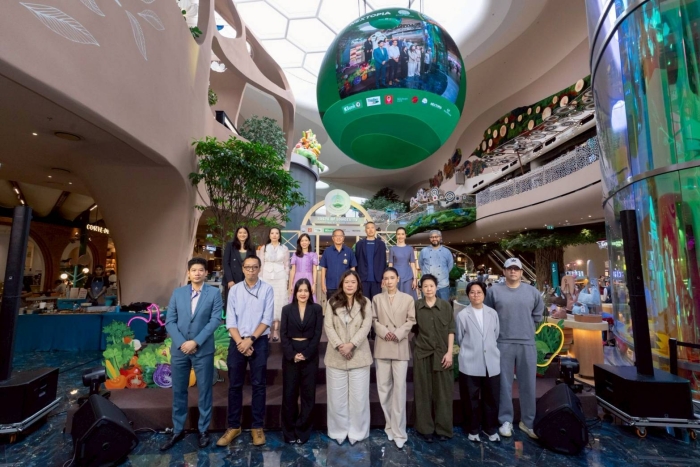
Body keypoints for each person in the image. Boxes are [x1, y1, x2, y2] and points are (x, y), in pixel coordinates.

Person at [161, 257, 223, 451]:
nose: (197, 273)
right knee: (179, 390)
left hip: (203, 349)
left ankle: (203, 430)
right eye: (193, 270)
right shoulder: (178, 293)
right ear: (188, 273)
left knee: (205, 391)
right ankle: (178, 429)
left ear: (206, 273)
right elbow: (170, 321)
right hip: (180, 350)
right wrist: (183, 343)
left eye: (200, 270)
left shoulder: (214, 293)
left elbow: (215, 320)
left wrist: (195, 342)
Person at [217, 255, 274, 447]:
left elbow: (267, 318)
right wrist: (241, 342)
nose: (251, 270)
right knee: (235, 385)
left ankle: (257, 426)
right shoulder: (234, 290)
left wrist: (250, 341)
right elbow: (230, 320)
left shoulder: (267, 289)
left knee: (259, 385)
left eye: (254, 267)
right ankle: (234, 426)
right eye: (248, 267)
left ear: (259, 269)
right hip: (237, 340)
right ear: (242, 269)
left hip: (259, 340)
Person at [484, 258, 544, 439]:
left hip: (527, 342)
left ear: (521, 272)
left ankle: (528, 422)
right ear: (503, 271)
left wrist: (525, 328)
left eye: (516, 269)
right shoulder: (494, 291)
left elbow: (538, 315)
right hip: (503, 342)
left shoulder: (532, 292)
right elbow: (488, 314)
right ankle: (505, 420)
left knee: (528, 384)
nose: (513, 272)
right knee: (504, 384)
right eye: (509, 269)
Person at [324, 270, 373, 445]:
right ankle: (338, 431)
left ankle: (357, 432)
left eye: (353, 282)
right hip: (336, 356)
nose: (350, 285)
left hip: (359, 355)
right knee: (336, 398)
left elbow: (366, 326)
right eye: (347, 282)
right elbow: (328, 326)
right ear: (342, 284)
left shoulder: (365, 302)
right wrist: (340, 346)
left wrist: (351, 344)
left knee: (359, 398)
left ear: (358, 284)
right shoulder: (332, 302)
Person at [372, 268, 416, 449]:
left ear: (398, 279)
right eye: (386, 278)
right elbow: (373, 320)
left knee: (399, 389)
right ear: (383, 281)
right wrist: (385, 332)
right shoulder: (376, 299)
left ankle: (399, 431)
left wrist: (397, 333)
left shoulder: (408, 299)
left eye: (392, 278)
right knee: (383, 389)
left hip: (399, 345)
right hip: (383, 345)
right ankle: (389, 425)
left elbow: (411, 320)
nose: (389, 281)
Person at [456, 281, 501, 443]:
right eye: (472, 292)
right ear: (468, 295)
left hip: (491, 362)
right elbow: (460, 338)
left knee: (491, 398)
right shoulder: (462, 315)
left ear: (484, 294)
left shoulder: (492, 313)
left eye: (479, 292)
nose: (476, 295)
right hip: (470, 361)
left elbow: (496, 334)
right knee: (471, 398)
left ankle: (490, 429)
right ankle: (473, 429)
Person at [280, 279, 323, 444]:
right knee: (289, 395)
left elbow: (317, 334)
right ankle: (289, 432)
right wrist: (292, 354)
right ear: (295, 292)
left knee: (308, 395)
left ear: (310, 292)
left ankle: (303, 431)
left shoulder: (317, 309)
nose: (303, 293)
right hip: (291, 354)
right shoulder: (286, 309)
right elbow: (283, 334)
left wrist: (306, 353)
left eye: (306, 290)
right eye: (300, 290)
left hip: (310, 354)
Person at [413, 274, 455, 442]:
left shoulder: (445, 306)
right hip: (422, 354)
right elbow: (413, 329)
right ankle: (425, 429)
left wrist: (449, 352)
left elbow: (451, 330)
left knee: (443, 393)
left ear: (436, 287)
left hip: (442, 355)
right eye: (425, 286)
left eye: (431, 286)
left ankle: (443, 429)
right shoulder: (416, 306)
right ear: (421, 289)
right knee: (423, 392)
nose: (428, 289)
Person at [259, 227, 289, 342]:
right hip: (266, 277)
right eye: (272, 233)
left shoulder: (284, 248)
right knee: (267, 301)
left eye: (277, 233)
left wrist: (286, 279)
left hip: (280, 277)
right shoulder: (264, 248)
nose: (274, 235)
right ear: (269, 235)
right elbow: (261, 264)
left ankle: (276, 330)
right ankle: (267, 329)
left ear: (279, 235)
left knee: (278, 301)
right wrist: (260, 278)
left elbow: (287, 265)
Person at [320, 229, 356, 300]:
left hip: (346, 286)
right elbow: (323, 268)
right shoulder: (327, 251)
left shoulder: (349, 251)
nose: (338, 238)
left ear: (343, 238)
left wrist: (353, 283)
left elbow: (353, 268)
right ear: (333, 238)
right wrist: (323, 284)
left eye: (340, 236)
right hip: (331, 286)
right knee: (331, 305)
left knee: (346, 305)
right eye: (336, 236)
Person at [418, 230, 454, 301]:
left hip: (443, 286)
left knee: (443, 306)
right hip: (427, 285)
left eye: (436, 237)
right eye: (432, 237)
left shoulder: (447, 252)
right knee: (427, 306)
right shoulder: (424, 251)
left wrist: (443, 274)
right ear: (429, 239)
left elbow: (450, 266)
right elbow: (421, 264)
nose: (434, 239)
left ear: (440, 237)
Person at [354, 222, 386, 301]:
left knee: (376, 303)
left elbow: (383, 262)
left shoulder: (381, 244)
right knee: (364, 303)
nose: (370, 230)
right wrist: (357, 278)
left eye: (372, 227)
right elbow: (357, 261)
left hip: (377, 279)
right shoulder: (359, 244)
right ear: (365, 230)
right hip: (363, 279)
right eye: (368, 228)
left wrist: (384, 278)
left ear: (375, 230)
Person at [223, 226, 257, 295]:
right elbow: (225, 263)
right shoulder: (230, 245)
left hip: (246, 280)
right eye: (240, 233)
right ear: (237, 234)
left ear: (247, 234)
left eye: (244, 233)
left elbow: (254, 264)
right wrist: (230, 280)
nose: (242, 235)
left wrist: (253, 279)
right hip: (232, 280)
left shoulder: (252, 247)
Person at [288, 233, 318, 303]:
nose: (304, 242)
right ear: (299, 242)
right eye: (302, 241)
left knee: (309, 296)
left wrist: (314, 284)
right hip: (297, 278)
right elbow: (293, 270)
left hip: (309, 278)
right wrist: (291, 285)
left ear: (309, 242)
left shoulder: (313, 254)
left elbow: (314, 270)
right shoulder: (295, 254)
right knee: (296, 296)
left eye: (306, 240)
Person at [388, 227, 417, 299]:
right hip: (396, 276)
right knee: (396, 297)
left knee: (408, 297)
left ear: (405, 235)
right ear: (396, 236)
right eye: (398, 234)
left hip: (408, 276)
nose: (400, 236)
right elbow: (390, 264)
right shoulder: (392, 249)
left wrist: (415, 279)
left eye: (402, 234)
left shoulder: (410, 249)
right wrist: (390, 277)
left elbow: (413, 264)